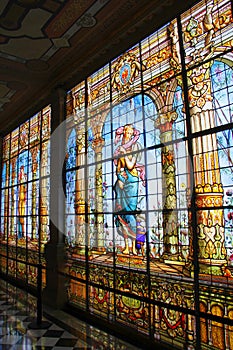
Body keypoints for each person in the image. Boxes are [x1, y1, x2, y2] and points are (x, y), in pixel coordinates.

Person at [113, 124, 145, 255]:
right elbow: (119, 168)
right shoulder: (120, 149)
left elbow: (131, 165)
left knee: (130, 214)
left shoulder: (136, 147)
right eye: (126, 131)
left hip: (132, 182)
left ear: (133, 133)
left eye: (130, 131)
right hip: (123, 184)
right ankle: (127, 246)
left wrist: (125, 153)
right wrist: (120, 178)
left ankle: (135, 245)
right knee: (121, 214)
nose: (127, 133)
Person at [18, 165, 27, 238]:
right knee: (20, 214)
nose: (21, 170)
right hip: (21, 197)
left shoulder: (24, 176)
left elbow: (24, 184)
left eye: (22, 169)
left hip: (23, 197)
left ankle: (23, 233)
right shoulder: (20, 176)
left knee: (22, 214)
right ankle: (21, 233)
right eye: (21, 169)